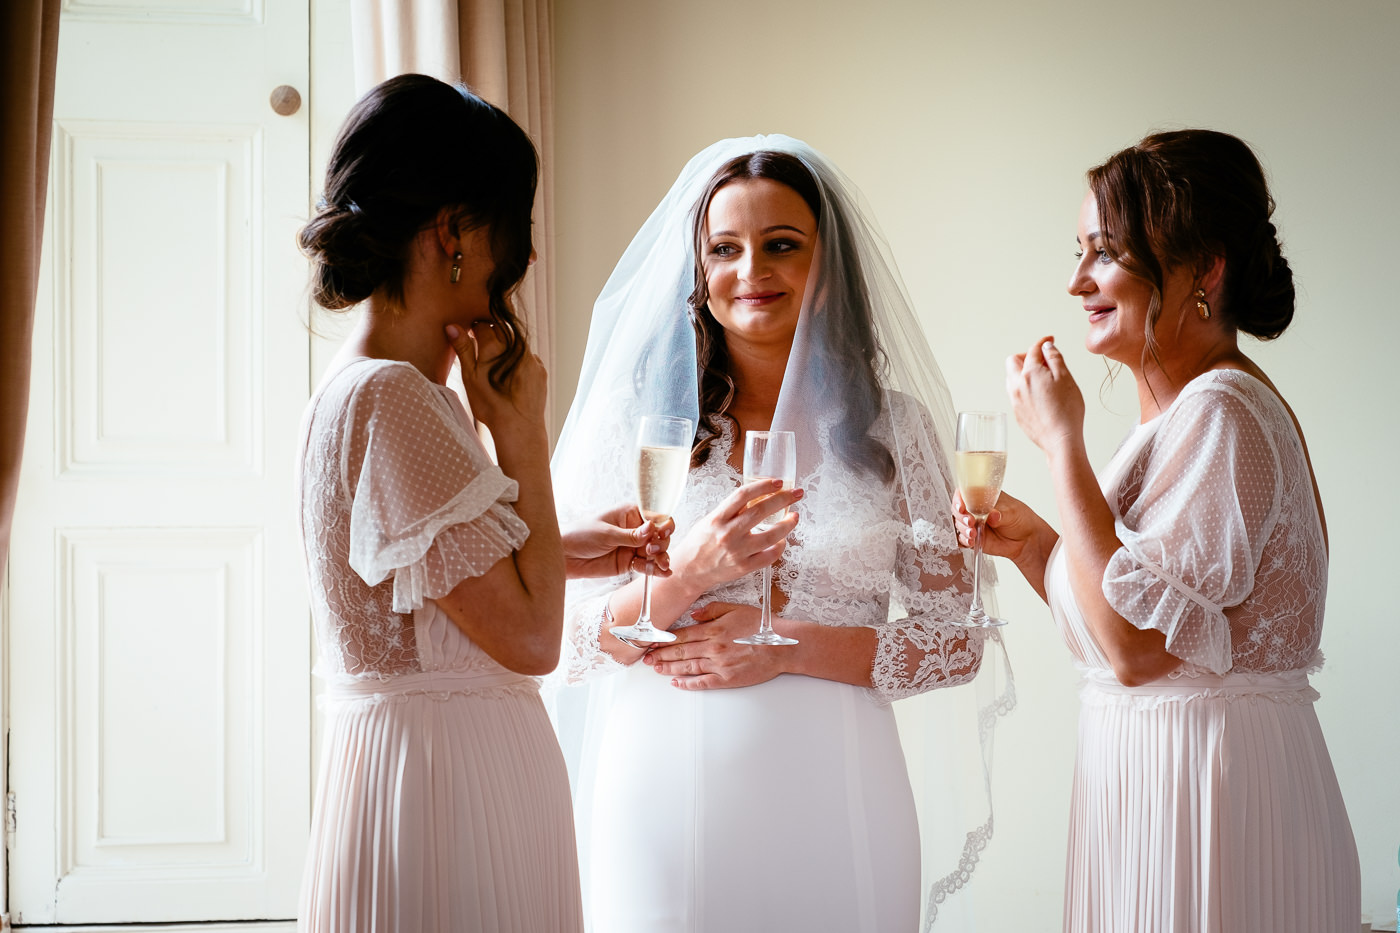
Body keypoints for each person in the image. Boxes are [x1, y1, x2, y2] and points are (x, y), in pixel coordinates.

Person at [550, 136, 1014, 932]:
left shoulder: (894, 429)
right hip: (661, 790)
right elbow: (562, 646)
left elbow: (957, 641)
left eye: (781, 246)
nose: (750, 271)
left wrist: (783, 646)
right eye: (724, 248)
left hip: (842, 786)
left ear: (828, 271)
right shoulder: (636, 430)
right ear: (698, 272)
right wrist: (688, 575)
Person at [958, 129, 1360, 932]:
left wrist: (1062, 442)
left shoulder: (1221, 413)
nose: (1077, 281)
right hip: (1160, 780)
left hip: (1209, 794)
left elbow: (1139, 650)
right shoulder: (1190, 414)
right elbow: (1132, 611)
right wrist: (1042, 548)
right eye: (1078, 251)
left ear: (1203, 270)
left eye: (1105, 253)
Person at [294, 74, 669, 933]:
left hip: (423, 778)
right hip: (448, 795)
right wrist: (525, 438)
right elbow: (534, 640)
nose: (525, 258)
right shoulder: (397, 400)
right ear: (454, 232)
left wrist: (562, 547)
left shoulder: (365, 388)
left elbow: (425, 590)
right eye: (517, 226)